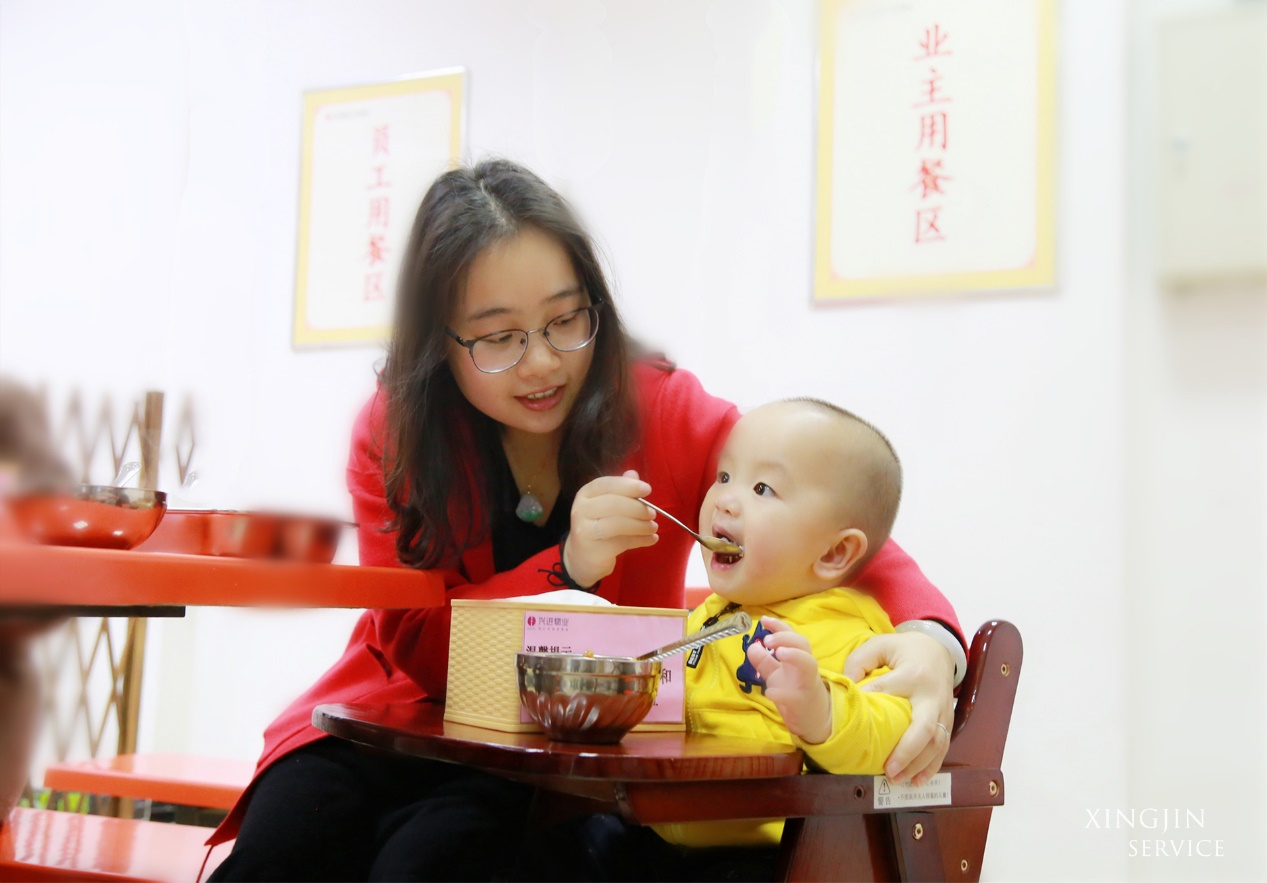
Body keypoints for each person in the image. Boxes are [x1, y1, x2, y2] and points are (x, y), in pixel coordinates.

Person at [207, 160, 963, 881]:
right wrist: (565, 567)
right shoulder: (394, 432)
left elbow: (827, 523)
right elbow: (416, 644)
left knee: (433, 859)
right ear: (439, 339)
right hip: (392, 716)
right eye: (499, 337)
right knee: (284, 852)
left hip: (562, 748)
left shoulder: (658, 406)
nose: (543, 362)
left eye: (566, 319)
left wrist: (932, 641)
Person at [520, 398, 924, 881]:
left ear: (835, 552)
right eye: (725, 476)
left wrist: (822, 711)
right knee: (555, 846)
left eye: (762, 488)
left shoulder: (848, 631)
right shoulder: (705, 619)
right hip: (659, 833)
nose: (725, 499)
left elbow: (893, 735)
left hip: (762, 853)